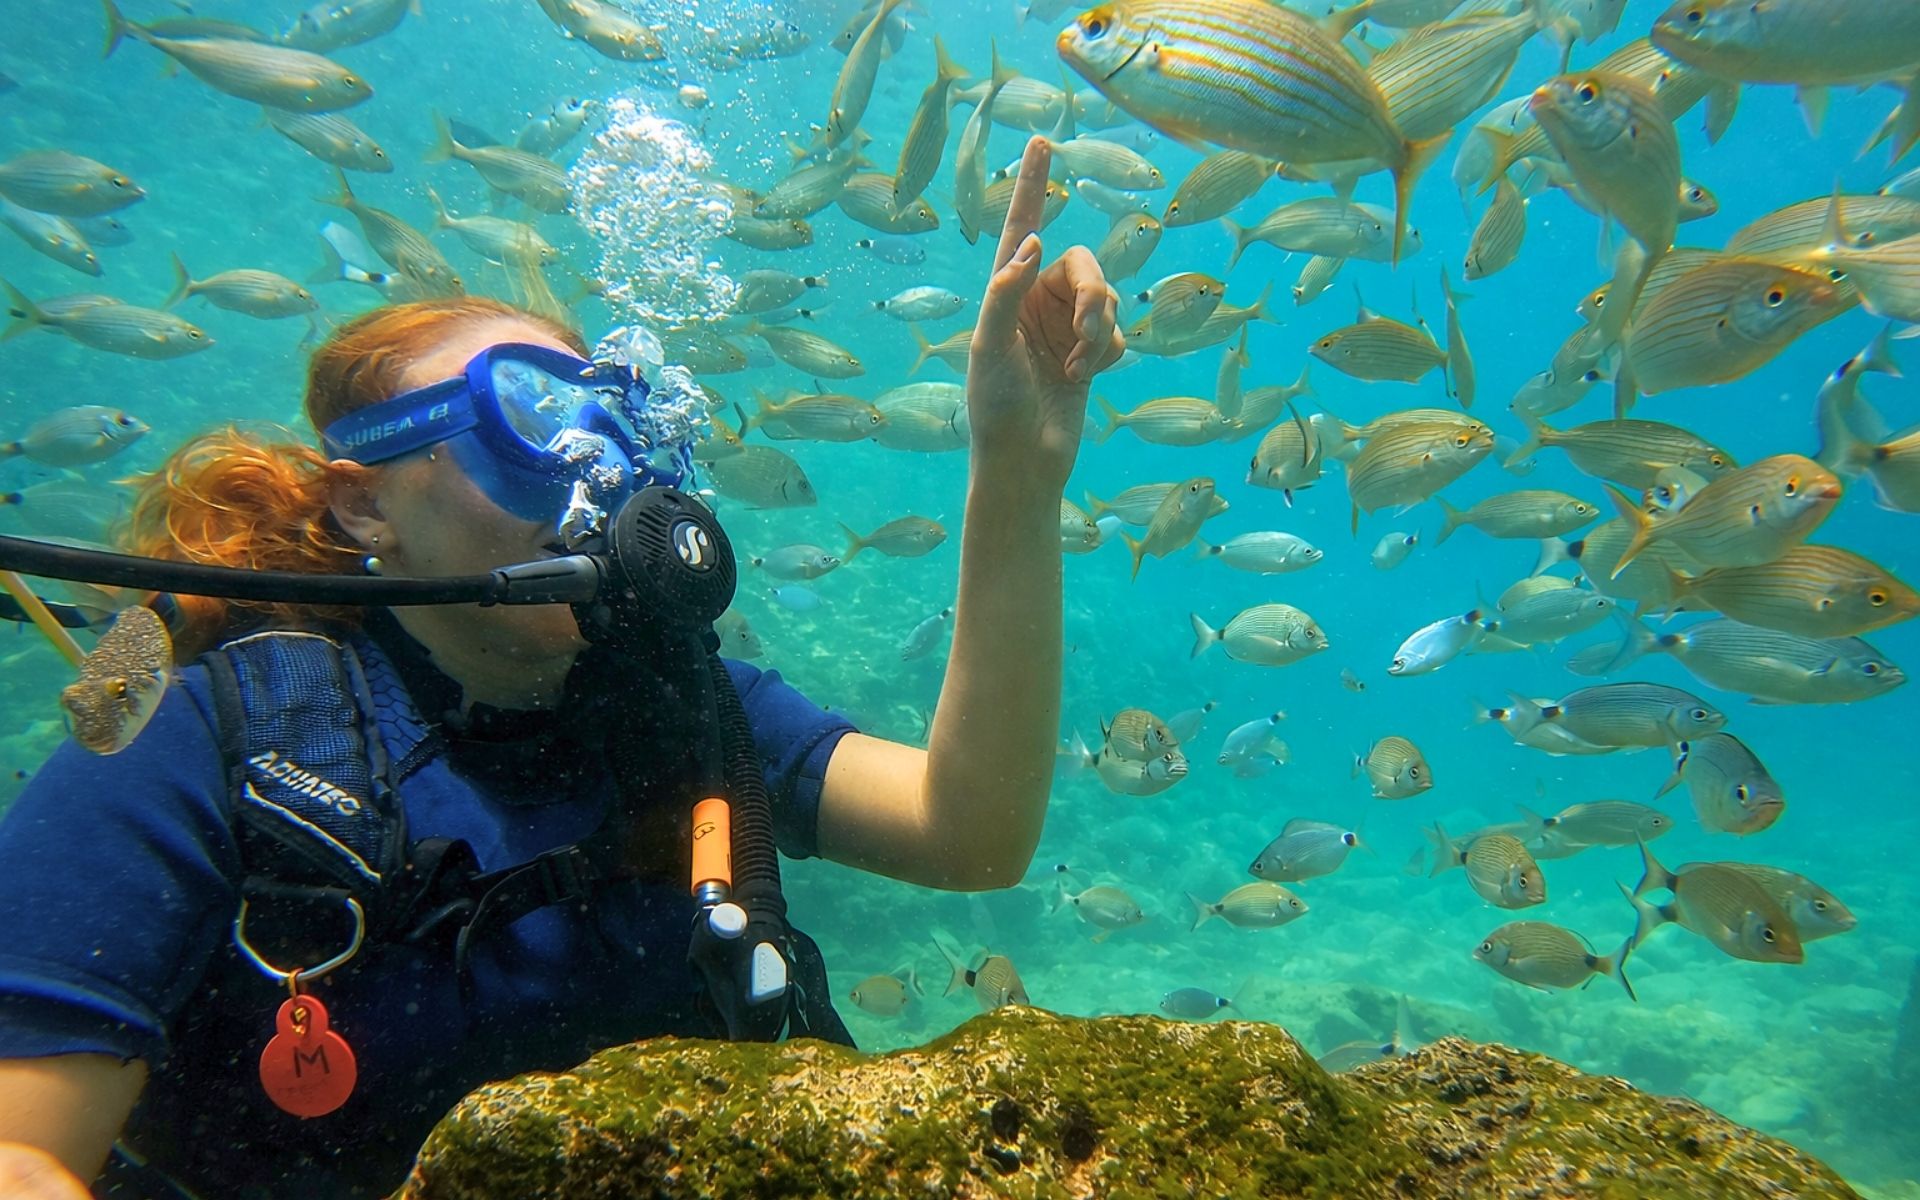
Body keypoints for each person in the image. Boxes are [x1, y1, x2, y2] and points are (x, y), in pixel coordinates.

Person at [0, 138, 1123, 1199]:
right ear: (362, 501)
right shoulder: (227, 742)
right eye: (529, 421)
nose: (594, 483)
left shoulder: (682, 705)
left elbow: (967, 834)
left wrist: (1018, 473)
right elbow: (22, 1149)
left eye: (616, 428)